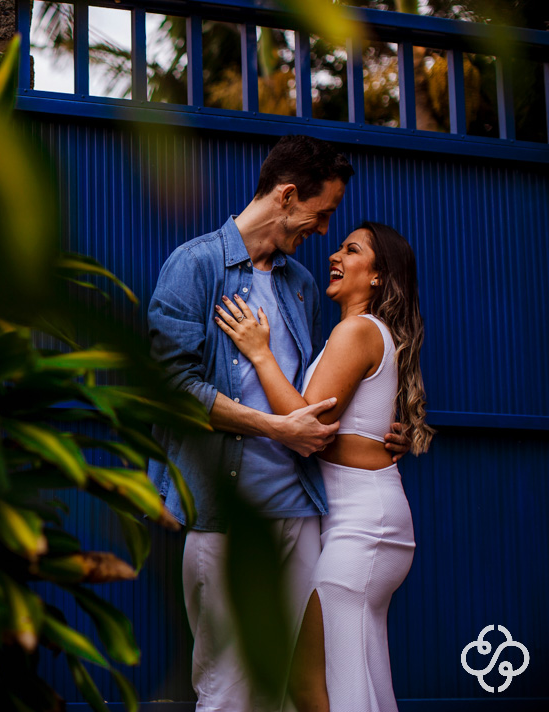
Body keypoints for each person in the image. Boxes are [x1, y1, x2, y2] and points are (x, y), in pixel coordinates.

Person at [146, 134, 410, 712]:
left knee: (285, 688)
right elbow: (170, 388)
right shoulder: (195, 266)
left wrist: (378, 432)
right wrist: (275, 430)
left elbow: (316, 395)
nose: (322, 232)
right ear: (288, 196)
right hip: (225, 516)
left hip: (302, 514)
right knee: (228, 687)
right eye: (323, 215)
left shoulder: (302, 285)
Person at [215, 221, 433, 712]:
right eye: (339, 246)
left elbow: (307, 427)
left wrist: (258, 353)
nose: (334, 255)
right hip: (358, 522)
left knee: (331, 683)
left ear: (378, 277)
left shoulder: (357, 330)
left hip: (362, 526)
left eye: (351, 250)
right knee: (353, 675)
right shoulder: (355, 333)